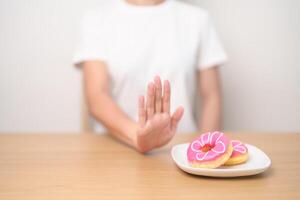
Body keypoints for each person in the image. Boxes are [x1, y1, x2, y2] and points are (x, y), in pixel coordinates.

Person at [73, 0, 227, 153]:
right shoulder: (96, 19)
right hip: (115, 150)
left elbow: (211, 97)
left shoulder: (198, 19)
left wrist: (207, 152)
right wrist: (138, 136)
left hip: (182, 152)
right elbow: (96, 97)